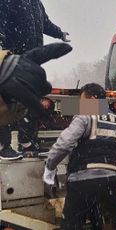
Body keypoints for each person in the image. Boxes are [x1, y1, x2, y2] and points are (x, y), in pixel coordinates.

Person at [43, 83, 116, 230]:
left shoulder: (84, 117)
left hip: (82, 181)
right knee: (114, 216)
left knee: (71, 225)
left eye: (82, 101)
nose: (79, 105)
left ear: (92, 100)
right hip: (109, 180)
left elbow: (64, 144)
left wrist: (50, 166)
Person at [0, 0, 70, 160]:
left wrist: (59, 33)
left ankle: (26, 142)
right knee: (5, 100)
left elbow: (45, 23)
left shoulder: (36, 3)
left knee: (31, 100)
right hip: (12, 60)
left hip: (32, 59)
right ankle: (4, 145)